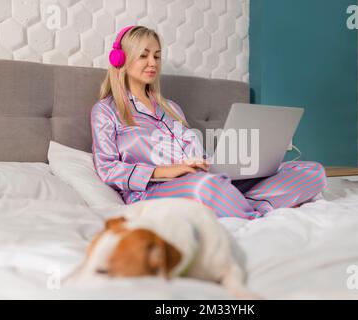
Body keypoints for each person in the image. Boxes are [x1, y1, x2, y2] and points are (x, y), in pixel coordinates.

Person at [91, 25, 327, 219]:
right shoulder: (105, 111)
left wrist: (216, 163)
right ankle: (251, 213)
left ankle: (235, 203)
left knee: (311, 171)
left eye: (157, 55)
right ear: (121, 59)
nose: (152, 62)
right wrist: (165, 171)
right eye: (143, 55)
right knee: (204, 186)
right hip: (153, 190)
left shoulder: (171, 108)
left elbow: (196, 155)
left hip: (203, 178)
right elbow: (107, 168)